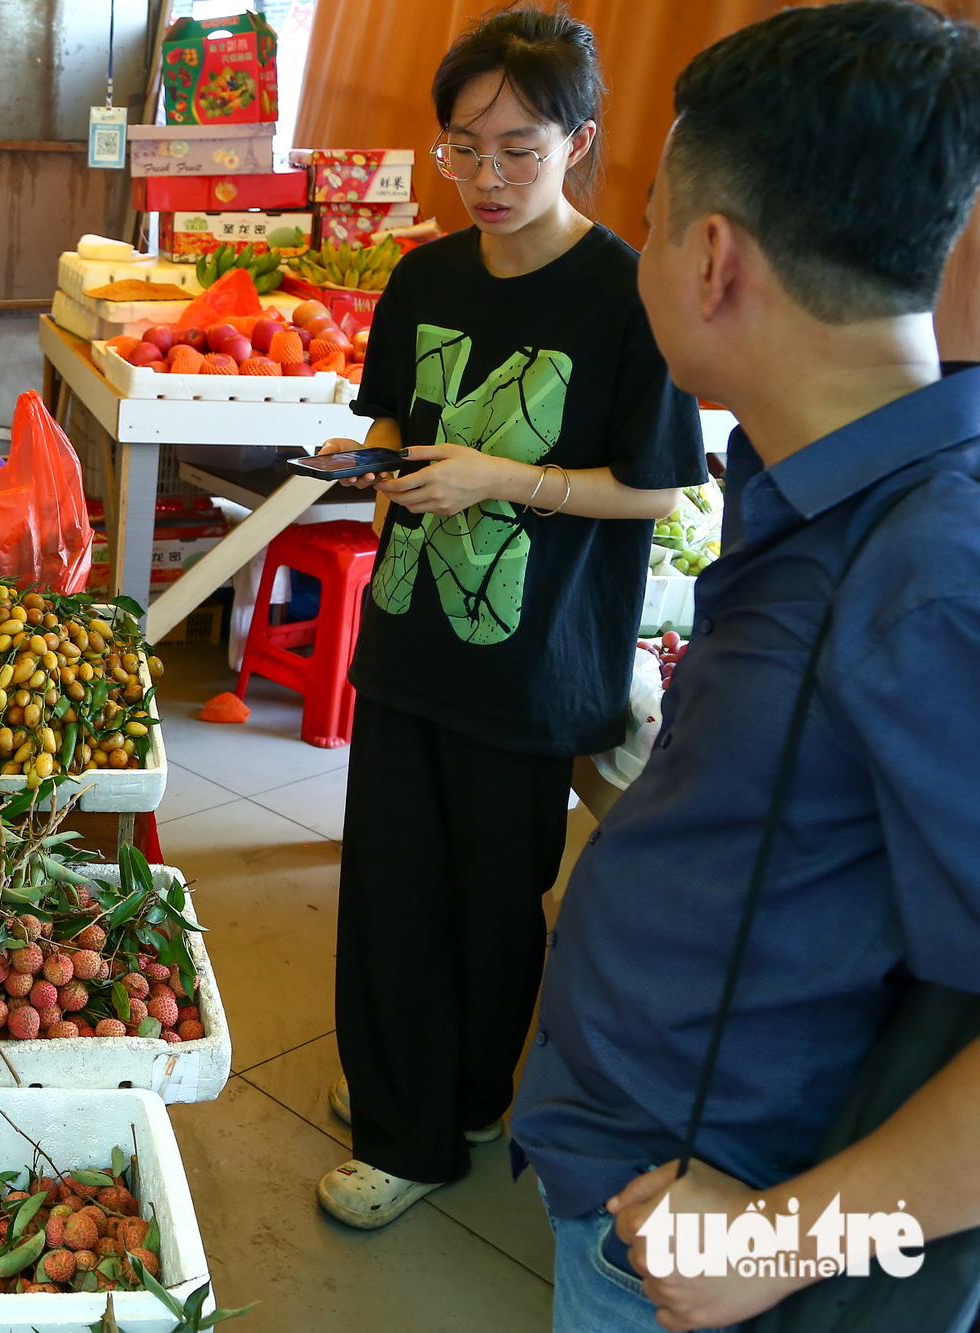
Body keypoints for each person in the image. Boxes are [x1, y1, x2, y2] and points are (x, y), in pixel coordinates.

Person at [509, 2, 980, 1329]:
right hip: (635, 1170)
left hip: (712, 1236)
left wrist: (782, 1242)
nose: (642, 250)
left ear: (709, 256)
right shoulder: (819, 482)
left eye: (651, 218)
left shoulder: (929, 577)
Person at [313, 5, 706, 1231]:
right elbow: (394, 421)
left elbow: (659, 480)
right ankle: (402, 1130)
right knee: (388, 884)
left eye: (518, 148)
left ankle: (465, 1096)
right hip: (410, 632)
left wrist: (504, 478)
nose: (485, 178)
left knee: (493, 900)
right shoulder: (423, 275)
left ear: (577, 142)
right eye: (461, 148)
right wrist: (362, 459)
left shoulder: (625, 296)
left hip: (536, 662)